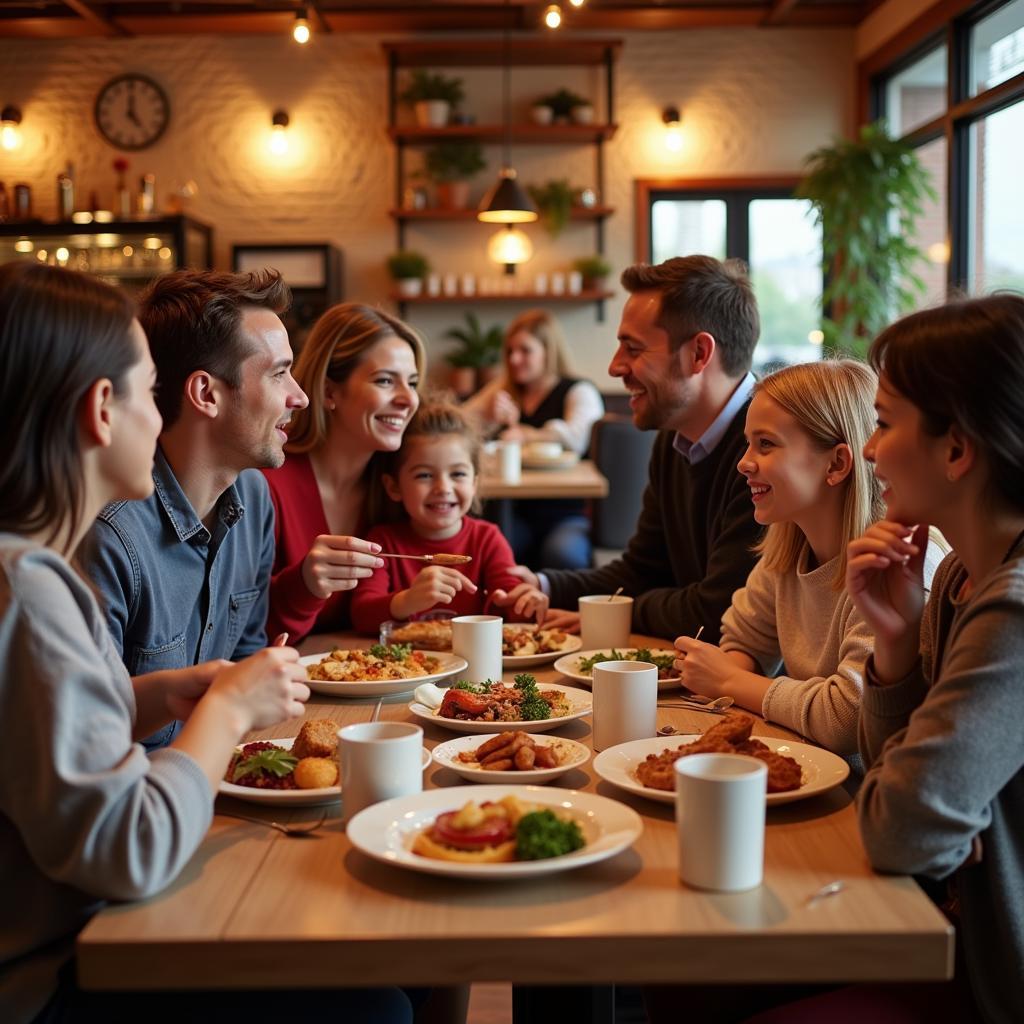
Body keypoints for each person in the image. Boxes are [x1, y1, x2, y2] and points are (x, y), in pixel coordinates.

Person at [0, 263, 411, 1024]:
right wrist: (221, 709)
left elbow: (46, 735)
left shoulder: (31, 571)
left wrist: (155, 696)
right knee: (376, 1001)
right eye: (143, 388)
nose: (156, 417)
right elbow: (125, 847)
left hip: (125, 894)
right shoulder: (36, 587)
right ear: (101, 409)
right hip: (59, 966)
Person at [739, 294, 1024, 1024]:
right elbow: (893, 772)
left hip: (989, 971)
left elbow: (899, 826)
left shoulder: (1013, 609)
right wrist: (896, 644)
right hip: (944, 919)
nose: (868, 450)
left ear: (957, 449)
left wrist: (924, 811)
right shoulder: (959, 578)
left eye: (886, 424)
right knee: (692, 971)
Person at [81, 268, 308, 752]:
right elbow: (85, 738)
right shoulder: (110, 536)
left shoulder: (254, 497)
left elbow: (249, 657)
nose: (300, 397)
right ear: (207, 394)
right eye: (279, 373)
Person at [673, 360, 943, 756]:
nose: (743, 462)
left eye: (765, 444)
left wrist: (730, 683)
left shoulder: (901, 563)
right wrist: (732, 669)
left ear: (836, 464)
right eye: (748, 442)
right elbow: (744, 641)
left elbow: (846, 719)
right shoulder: (788, 543)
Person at [512, 255, 764, 643]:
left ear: (699, 353)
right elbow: (643, 570)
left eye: (633, 348)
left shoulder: (769, 449)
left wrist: (619, 612)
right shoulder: (673, 439)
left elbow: (720, 612)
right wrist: (542, 584)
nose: (614, 367)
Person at [262, 302, 425, 642]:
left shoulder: (402, 486)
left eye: (412, 383)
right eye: (384, 381)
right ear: (329, 390)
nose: (408, 399)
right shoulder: (266, 482)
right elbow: (236, 632)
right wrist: (303, 585)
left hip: (388, 678)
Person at [350, 399, 548, 631]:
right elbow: (361, 615)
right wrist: (408, 600)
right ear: (394, 486)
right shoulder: (382, 543)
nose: (443, 488)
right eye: (424, 475)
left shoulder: (487, 539)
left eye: (457, 474)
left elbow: (511, 607)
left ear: (474, 483)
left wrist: (527, 604)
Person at [465, 309, 604, 569]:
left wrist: (526, 435)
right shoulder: (504, 389)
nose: (515, 359)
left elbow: (577, 438)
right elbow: (456, 427)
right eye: (509, 351)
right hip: (512, 511)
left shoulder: (578, 390)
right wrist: (488, 416)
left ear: (548, 351)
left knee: (563, 554)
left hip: (567, 513)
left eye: (525, 351)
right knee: (492, 555)